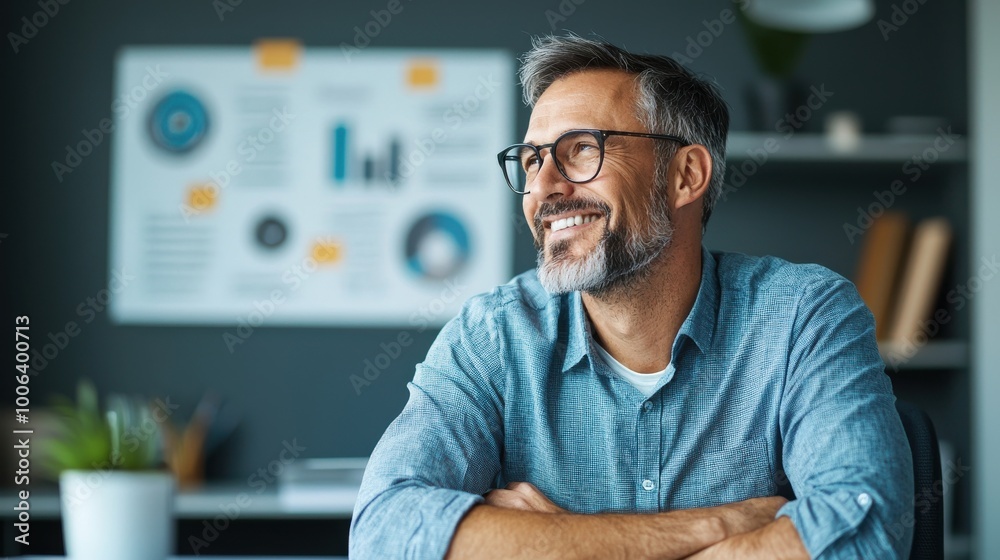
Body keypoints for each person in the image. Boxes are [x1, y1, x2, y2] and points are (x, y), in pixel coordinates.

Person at [350, 35, 913, 559]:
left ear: (685, 175)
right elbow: (384, 532)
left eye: (580, 149)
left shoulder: (803, 316)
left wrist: (558, 541)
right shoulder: (493, 336)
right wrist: (717, 526)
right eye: (532, 160)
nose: (542, 188)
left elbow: (867, 534)